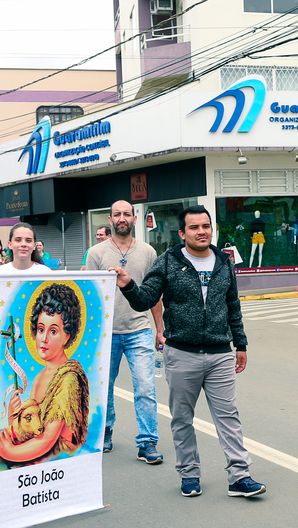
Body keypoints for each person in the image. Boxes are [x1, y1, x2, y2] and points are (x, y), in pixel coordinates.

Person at [111, 205, 266, 499]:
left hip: (220, 353)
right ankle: (189, 474)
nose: (201, 232)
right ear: (182, 234)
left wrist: (241, 344)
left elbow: (233, 305)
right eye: (194, 227)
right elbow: (145, 299)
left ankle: (239, 476)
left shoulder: (224, 262)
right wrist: (128, 285)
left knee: (229, 417)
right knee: (182, 418)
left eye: (205, 226)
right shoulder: (168, 262)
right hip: (182, 353)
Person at [85, 202, 164, 463]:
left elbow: (154, 294)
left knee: (145, 387)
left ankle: (147, 442)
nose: (122, 218)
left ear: (134, 218)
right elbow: (89, 295)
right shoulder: (96, 253)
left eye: (126, 214)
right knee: (103, 387)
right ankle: (105, 431)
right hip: (105, 333)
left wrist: (160, 329)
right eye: (117, 214)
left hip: (139, 329)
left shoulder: (148, 252)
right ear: (110, 219)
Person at [0, 283, 90, 468]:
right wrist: (15, 417)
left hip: (57, 457)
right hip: (39, 452)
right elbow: (35, 428)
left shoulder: (68, 378)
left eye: (53, 331)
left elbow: (47, 439)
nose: (44, 339)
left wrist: (10, 452)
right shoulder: (41, 376)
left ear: (67, 335)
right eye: (41, 329)